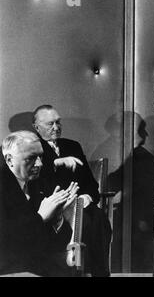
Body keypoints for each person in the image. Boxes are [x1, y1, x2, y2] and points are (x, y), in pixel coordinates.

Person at [32, 104, 112, 276]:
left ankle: (100, 273)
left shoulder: (72, 146)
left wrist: (87, 197)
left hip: (79, 204)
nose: (56, 127)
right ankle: (80, 272)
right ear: (36, 127)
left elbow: (91, 184)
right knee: (85, 223)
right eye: (50, 124)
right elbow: (33, 180)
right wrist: (55, 163)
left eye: (58, 122)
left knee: (99, 218)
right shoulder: (32, 148)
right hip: (53, 207)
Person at [0, 130, 79, 276]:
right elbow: (7, 242)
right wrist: (41, 217)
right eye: (31, 158)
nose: (40, 164)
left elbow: (56, 245)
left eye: (40, 157)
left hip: (33, 264)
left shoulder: (37, 184)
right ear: (9, 160)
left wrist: (58, 218)